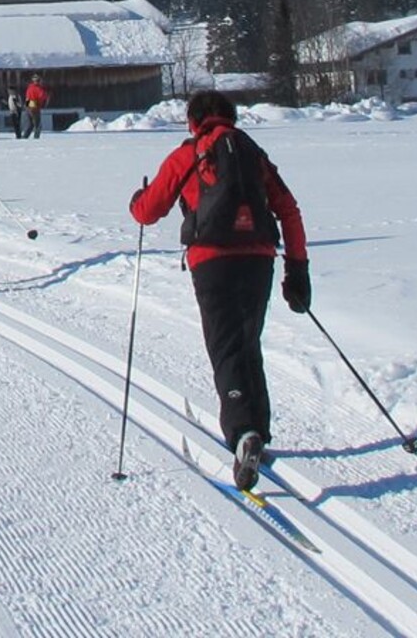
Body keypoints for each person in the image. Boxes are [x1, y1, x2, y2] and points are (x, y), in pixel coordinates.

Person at [129, 90, 309, 491]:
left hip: (212, 260)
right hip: (259, 257)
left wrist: (136, 200)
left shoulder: (188, 155)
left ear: (194, 121)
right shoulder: (252, 153)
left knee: (225, 344)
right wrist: (297, 267)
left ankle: (244, 432)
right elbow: (289, 209)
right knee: (248, 340)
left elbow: (149, 210)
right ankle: (258, 428)